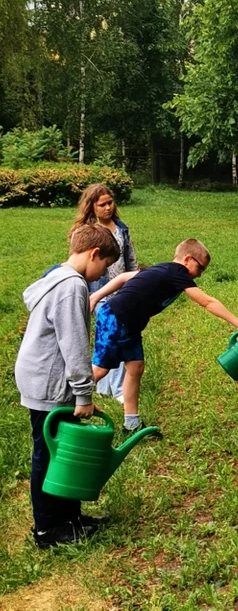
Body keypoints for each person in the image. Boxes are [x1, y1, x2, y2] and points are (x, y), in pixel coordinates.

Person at [15, 225, 120, 549]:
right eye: (104, 266)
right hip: (47, 380)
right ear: (93, 254)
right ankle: (47, 529)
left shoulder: (58, 277)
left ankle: (71, 519)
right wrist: (84, 394)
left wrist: (79, 394)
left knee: (66, 451)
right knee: (49, 454)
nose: (102, 274)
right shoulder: (72, 286)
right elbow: (74, 345)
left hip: (48, 377)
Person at [90, 239, 238, 434]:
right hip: (116, 318)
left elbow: (125, 277)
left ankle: (131, 424)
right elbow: (207, 302)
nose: (199, 275)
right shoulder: (178, 272)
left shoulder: (165, 270)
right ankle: (63, 404)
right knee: (101, 369)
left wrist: (96, 296)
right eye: (200, 268)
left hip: (130, 324)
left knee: (135, 367)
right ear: (187, 259)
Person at [70, 184, 138, 403]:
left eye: (111, 202)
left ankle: (108, 387)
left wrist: (135, 279)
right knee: (108, 338)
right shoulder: (86, 232)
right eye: (103, 204)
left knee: (115, 337)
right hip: (97, 293)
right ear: (92, 206)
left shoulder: (121, 228)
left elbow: (130, 258)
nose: (108, 207)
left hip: (122, 292)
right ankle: (113, 388)